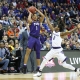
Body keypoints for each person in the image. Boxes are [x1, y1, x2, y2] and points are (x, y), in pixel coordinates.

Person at [33, 11, 80, 77]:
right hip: (52, 50)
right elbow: (49, 24)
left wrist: (76, 28)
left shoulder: (61, 34)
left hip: (58, 51)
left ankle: (76, 69)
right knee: (45, 59)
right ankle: (39, 72)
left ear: (59, 28)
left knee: (64, 64)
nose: (55, 26)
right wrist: (46, 16)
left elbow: (69, 32)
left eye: (57, 26)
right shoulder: (54, 31)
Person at [21, 7, 45, 74]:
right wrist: (30, 13)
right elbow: (28, 19)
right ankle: (24, 66)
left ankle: (38, 67)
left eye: (36, 15)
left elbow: (43, 16)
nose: (35, 16)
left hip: (37, 38)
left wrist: (37, 10)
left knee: (38, 53)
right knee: (28, 52)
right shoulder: (31, 22)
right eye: (34, 15)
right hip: (32, 38)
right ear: (32, 17)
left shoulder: (39, 21)